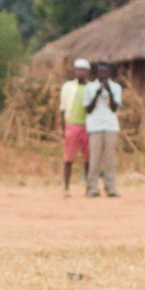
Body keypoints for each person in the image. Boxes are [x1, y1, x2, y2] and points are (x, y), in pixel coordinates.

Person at [83, 61, 124, 199]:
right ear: (96, 72)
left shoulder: (116, 87)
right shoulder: (89, 87)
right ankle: (92, 188)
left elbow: (114, 108)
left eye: (105, 72)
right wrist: (97, 93)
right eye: (100, 72)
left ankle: (111, 188)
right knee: (94, 159)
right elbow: (88, 109)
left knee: (110, 160)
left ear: (109, 73)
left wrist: (109, 91)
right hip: (95, 126)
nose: (102, 75)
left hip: (110, 126)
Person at [59, 58, 92, 195]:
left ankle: (89, 188)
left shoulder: (91, 87)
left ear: (87, 72)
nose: (80, 73)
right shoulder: (67, 87)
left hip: (88, 126)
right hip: (71, 125)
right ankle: (66, 188)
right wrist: (63, 128)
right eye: (78, 70)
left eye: (83, 70)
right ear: (74, 71)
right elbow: (62, 108)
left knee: (88, 159)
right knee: (68, 158)